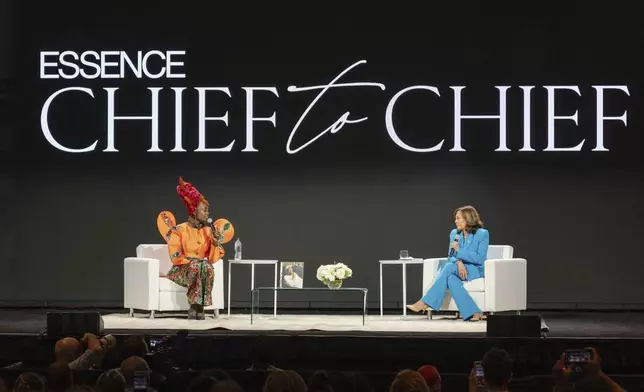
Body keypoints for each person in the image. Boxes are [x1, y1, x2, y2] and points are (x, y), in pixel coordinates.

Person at [157, 177, 234, 320]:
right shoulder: (178, 230)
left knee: (207, 266)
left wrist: (215, 243)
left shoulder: (208, 231)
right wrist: (194, 262)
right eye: (204, 210)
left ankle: (201, 306)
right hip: (181, 270)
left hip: (200, 267)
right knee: (196, 266)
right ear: (193, 211)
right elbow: (176, 258)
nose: (207, 214)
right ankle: (194, 305)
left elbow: (212, 259)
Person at [407, 205, 489, 321]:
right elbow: (450, 256)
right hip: (457, 267)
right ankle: (475, 311)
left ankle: (425, 302)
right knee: (450, 278)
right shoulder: (455, 233)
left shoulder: (482, 234)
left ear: (467, 219)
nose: (455, 221)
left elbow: (480, 259)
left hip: (475, 269)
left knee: (450, 267)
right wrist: (459, 263)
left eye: (458, 218)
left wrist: (460, 251)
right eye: (455, 218)